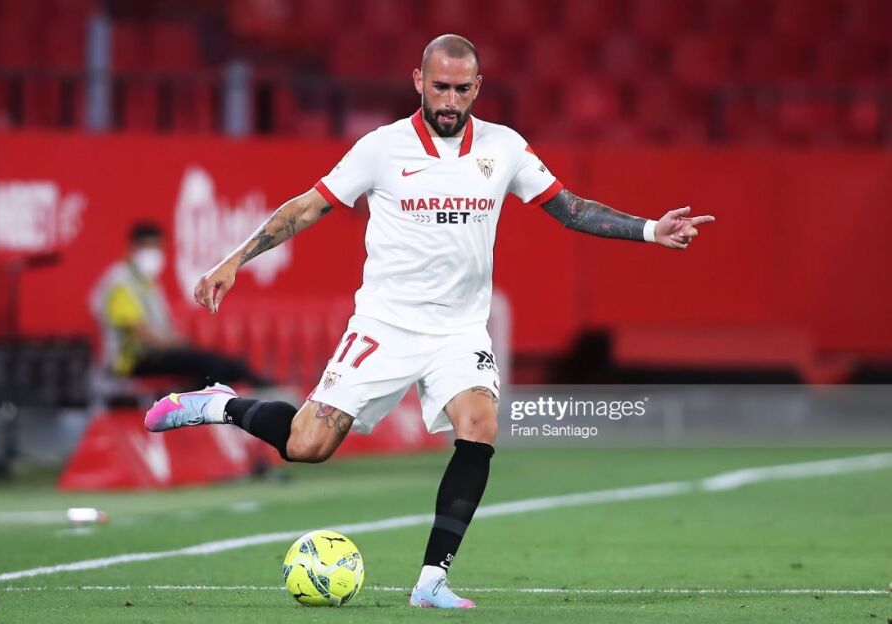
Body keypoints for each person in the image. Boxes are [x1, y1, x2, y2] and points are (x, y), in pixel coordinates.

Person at [144, 35, 714, 608]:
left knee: (480, 425)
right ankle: (219, 404)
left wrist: (649, 229)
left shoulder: (504, 147)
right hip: (385, 325)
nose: (450, 100)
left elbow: (569, 209)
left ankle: (431, 580)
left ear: (478, 87)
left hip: (460, 331)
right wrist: (235, 259)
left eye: (462, 89)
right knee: (308, 444)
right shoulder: (381, 148)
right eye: (440, 87)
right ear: (418, 81)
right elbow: (308, 207)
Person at [90, 222, 269, 390]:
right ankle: (189, 402)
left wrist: (178, 342)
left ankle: (260, 384)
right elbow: (142, 333)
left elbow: (163, 326)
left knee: (225, 364)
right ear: (132, 248)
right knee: (209, 366)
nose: (153, 254)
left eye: (157, 247)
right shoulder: (120, 284)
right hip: (134, 362)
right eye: (147, 247)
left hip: (157, 353)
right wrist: (174, 343)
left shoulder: (147, 284)